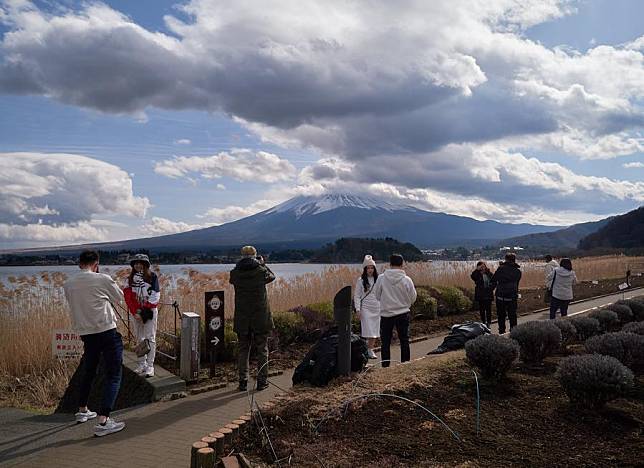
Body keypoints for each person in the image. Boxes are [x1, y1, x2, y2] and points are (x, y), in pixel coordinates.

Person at [62, 250, 126, 437]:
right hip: (106, 331)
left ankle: (82, 410)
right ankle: (104, 421)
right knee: (114, 375)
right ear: (96, 263)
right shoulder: (102, 279)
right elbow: (119, 297)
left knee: (89, 371)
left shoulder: (68, 284)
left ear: (79, 263)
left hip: (86, 334)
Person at [229, 245, 276, 391]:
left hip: (243, 317)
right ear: (255, 255)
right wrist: (263, 264)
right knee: (262, 349)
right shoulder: (261, 271)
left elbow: (233, 278)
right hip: (260, 317)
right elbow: (272, 276)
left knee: (243, 350)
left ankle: (243, 382)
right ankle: (262, 382)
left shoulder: (235, 273)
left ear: (242, 256)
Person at [373, 254, 417, 368]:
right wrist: (405, 304)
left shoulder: (381, 278)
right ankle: (405, 365)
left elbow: (377, 295)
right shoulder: (407, 279)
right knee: (404, 340)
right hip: (403, 313)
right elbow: (413, 297)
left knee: (385, 342)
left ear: (390, 264)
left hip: (386, 314)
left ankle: (385, 366)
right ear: (402, 264)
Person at [123, 253, 160, 378]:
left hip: (149, 311)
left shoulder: (152, 277)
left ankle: (150, 366)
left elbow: (155, 296)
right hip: (136, 313)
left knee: (150, 338)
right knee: (139, 338)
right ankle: (141, 364)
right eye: (136, 263)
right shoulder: (129, 280)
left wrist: (141, 311)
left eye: (141, 263)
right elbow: (128, 297)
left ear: (146, 265)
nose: (138, 265)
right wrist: (135, 312)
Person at [354, 255, 380, 359]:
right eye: (368, 268)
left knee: (374, 330)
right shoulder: (360, 280)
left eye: (372, 267)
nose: (370, 270)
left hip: (377, 307)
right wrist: (358, 309)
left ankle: (370, 349)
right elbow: (356, 295)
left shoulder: (378, 279)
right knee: (366, 330)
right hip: (365, 308)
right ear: (365, 269)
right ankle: (364, 350)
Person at [491, 253, 522, 334]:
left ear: (506, 259)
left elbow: (493, 279)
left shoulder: (501, 269)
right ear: (514, 260)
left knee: (501, 316)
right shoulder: (518, 272)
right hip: (512, 297)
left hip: (501, 297)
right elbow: (516, 283)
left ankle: (502, 333)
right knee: (513, 316)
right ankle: (514, 333)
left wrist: (500, 267)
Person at [470, 261, 494, 328]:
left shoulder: (489, 273)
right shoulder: (477, 274)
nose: (483, 268)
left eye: (484, 266)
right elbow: (472, 276)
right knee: (482, 310)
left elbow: (494, 281)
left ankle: (488, 323)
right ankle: (483, 322)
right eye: (481, 266)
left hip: (488, 294)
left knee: (488, 309)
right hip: (480, 294)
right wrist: (477, 270)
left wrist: (491, 288)